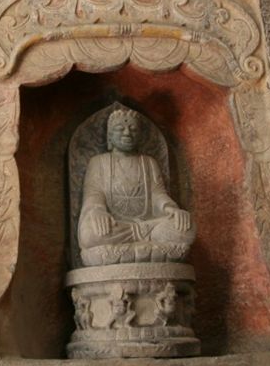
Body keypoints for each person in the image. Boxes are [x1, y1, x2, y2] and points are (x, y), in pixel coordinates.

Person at [78, 108, 195, 264]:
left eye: (133, 129)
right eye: (120, 129)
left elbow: (158, 194)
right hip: (117, 227)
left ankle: (127, 251)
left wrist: (171, 209)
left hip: (150, 226)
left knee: (186, 229)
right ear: (110, 136)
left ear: (139, 135)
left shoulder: (149, 162)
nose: (127, 133)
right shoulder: (98, 162)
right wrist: (98, 211)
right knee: (90, 234)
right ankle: (153, 250)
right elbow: (94, 193)